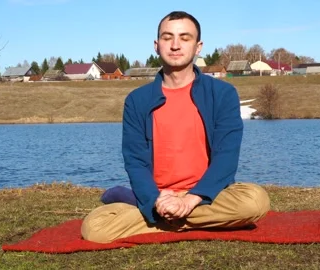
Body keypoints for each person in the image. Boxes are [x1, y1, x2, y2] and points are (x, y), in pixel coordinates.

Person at [81, 11, 270, 243]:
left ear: (198, 46)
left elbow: (227, 158)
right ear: (156, 45)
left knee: (255, 201)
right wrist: (157, 200)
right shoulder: (137, 100)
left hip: (208, 196)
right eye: (167, 37)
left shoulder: (222, 94)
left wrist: (189, 200)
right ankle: (177, 217)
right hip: (158, 196)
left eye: (185, 37)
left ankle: (162, 220)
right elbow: (135, 161)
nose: (175, 45)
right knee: (94, 227)